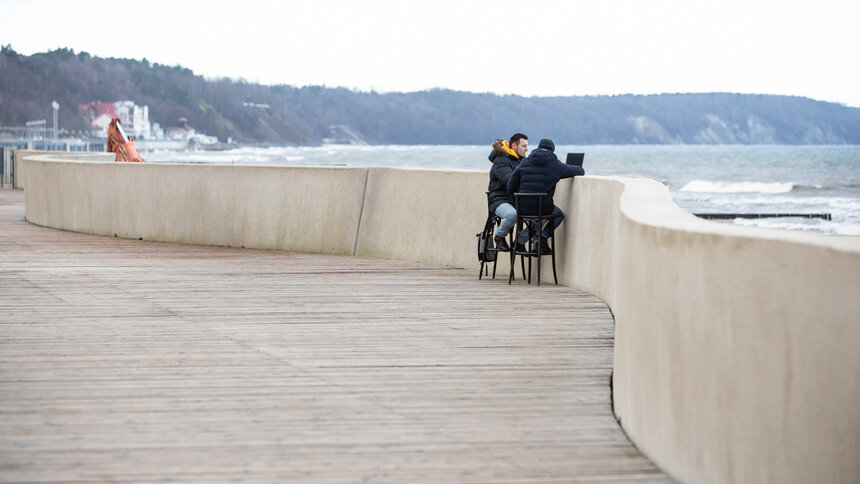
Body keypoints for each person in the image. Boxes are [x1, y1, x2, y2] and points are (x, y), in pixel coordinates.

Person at [506, 138, 584, 253]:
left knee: (536, 217)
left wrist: (517, 200)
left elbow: (510, 187)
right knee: (558, 215)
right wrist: (579, 167)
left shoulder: (524, 162)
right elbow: (578, 171)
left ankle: (523, 240)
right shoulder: (555, 164)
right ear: (552, 151)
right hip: (542, 207)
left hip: (522, 207)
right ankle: (541, 237)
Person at [487, 133, 528, 251]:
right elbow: (509, 181)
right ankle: (499, 236)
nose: (527, 149)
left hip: (516, 200)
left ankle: (520, 241)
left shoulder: (521, 161)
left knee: (538, 216)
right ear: (514, 146)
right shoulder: (501, 160)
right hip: (499, 200)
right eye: (524, 146)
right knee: (512, 215)